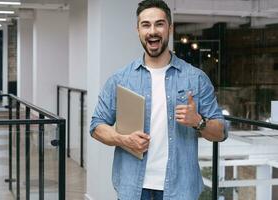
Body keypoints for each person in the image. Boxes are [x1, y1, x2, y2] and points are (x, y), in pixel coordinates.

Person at [89, 0, 227, 199]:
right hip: (132, 189)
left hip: (180, 190)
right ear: (138, 30)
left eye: (159, 24)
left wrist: (199, 122)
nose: (152, 31)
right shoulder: (120, 79)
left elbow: (221, 132)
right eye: (146, 24)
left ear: (170, 28)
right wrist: (123, 139)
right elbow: (96, 126)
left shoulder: (195, 78)